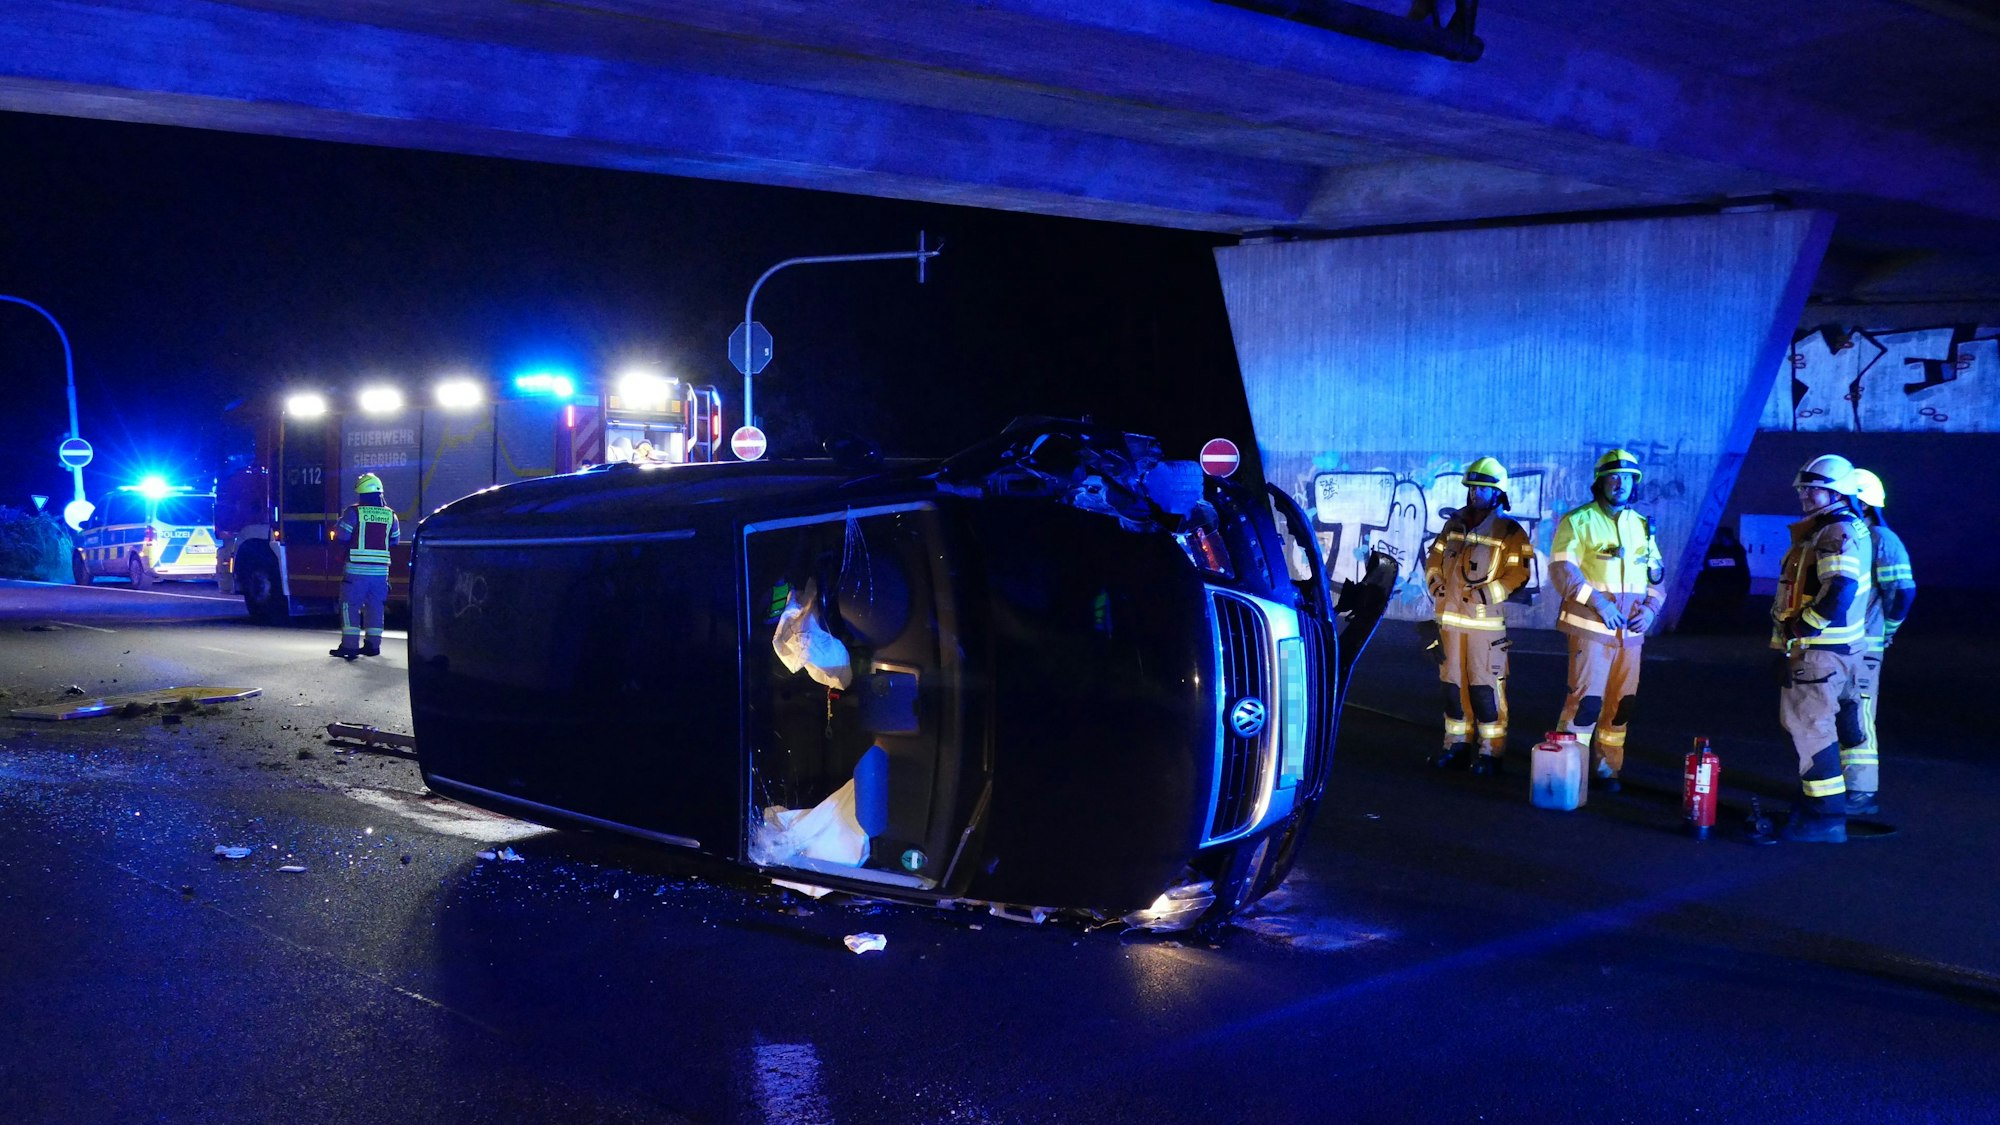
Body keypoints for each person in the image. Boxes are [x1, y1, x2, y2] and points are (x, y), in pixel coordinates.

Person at [1756, 454, 1873, 843]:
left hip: (1819, 653)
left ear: (1836, 491)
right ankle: (1824, 808)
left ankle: (1824, 819)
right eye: (1803, 487)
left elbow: (1839, 589)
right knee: (1828, 728)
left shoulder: (1833, 532)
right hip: (1834, 653)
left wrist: (1801, 628)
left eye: (1814, 488)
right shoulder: (1836, 528)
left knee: (1810, 730)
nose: (1805, 494)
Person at [1548, 449, 1665, 793]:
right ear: (1600, 481)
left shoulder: (1642, 526)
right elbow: (1561, 570)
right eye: (1614, 476)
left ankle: (1607, 769)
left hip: (1630, 636)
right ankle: (1570, 770)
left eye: (1628, 478)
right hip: (1590, 632)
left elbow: (1657, 579)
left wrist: (1650, 611)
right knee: (1586, 703)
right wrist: (1598, 602)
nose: (1621, 483)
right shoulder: (1577, 521)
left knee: (1621, 706)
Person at [1422, 456, 1533, 775]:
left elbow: (1518, 574)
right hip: (1449, 625)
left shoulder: (1510, 531)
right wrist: (1435, 584)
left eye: (1483, 489)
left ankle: (1490, 753)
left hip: (1485, 630)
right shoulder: (1454, 524)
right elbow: (1435, 558)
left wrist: (1487, 594)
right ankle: (1455, 746)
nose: (1475, 494)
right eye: (1472, 488)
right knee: (1452, 689)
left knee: (1486, 690)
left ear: (1498, 493)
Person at [1843, 468, 1917, 815]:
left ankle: (1860, 790)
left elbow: (1902, 591)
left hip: (1864, 644)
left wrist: (1887, 630)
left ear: (1863, 502)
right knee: (1834, 715)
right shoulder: (1847, 535)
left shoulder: (1882, 540)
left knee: (1858, 714)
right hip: (1836, 645)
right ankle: (1837, 787)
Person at [329, 472, 401, 661]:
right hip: (381, 573)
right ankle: (372, 645)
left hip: (356, 571)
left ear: (361, 494)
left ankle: (350, 646)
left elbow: (342, 537)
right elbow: (394, 541)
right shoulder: (391, 515)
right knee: (375, 607)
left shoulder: (354, 513)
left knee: (349, 606)